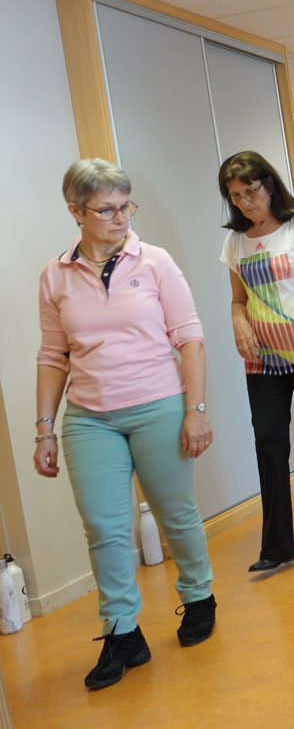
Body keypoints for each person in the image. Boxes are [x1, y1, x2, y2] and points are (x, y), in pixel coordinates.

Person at [35, 159, 216, 690]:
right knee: (104, 527)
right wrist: (44, 428)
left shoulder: (155, 261)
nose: (121, 218)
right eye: (107, 210)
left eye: (125, 206)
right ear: (76, 211)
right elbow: (52, 355)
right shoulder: (55, 275)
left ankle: (199, 596)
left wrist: (195, 410)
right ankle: (122, 632)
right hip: (89, 418)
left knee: (174, 511)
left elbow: (190, 339)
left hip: (158, 404)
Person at [218, 151, 294, 570]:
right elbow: (238, 300)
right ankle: (276, 546)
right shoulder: (235, 241)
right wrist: (239, 322)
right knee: (269, 443)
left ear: (269, 185)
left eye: (250, 191)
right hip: (262, 359)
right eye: (235, 196)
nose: (245, 202)